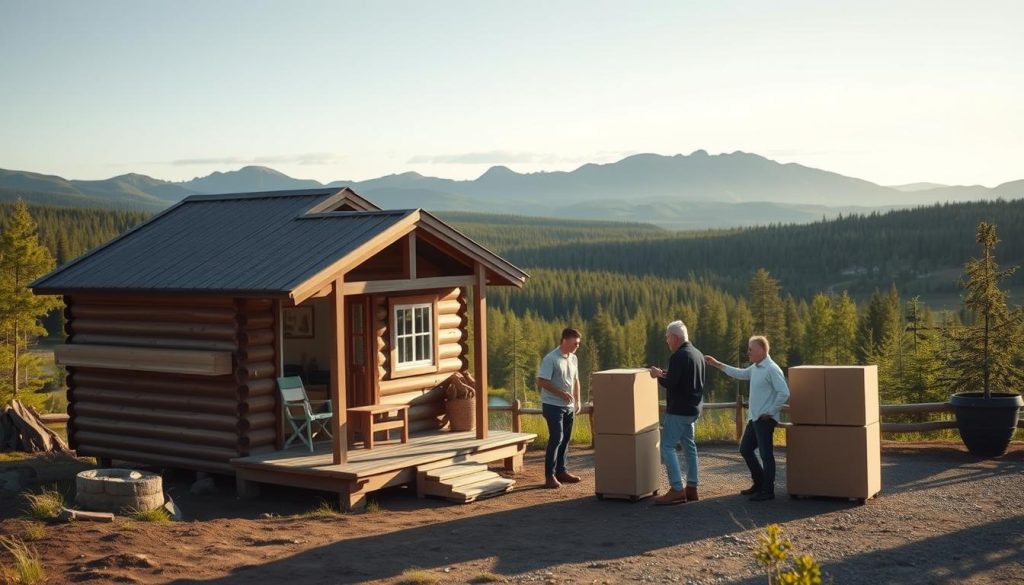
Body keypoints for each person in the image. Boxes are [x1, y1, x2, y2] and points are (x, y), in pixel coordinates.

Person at [705, 335, 790, 501]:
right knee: (745, 449)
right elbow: (739, 373)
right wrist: (717, 364)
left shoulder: (772, 369)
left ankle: (767, 491)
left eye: (751, 349)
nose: (748, 352)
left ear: (761, 350)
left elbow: (784, 392)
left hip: (765, 420)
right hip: (755, 418)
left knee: (766, 455)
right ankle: (759, 483)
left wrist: (771, 411)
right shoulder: (756, 367)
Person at [649, 320, 705, 505]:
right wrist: (664, 373)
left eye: (667, 337)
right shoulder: (697, 354)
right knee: (690, 447)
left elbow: (672, 383)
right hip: (693, 409)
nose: (666, 341)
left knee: (667, 446)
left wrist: (657, 376)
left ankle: (676, 489)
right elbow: (680, 378)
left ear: (675, 337)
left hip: (678, 410)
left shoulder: (678, 357)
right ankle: (692, 488)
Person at [536, 327, 583, 489]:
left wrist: (578, 401)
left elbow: (576, 380)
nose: (577, 345)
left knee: (566, 439)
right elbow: (541, 381)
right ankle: (549, 476)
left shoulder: (573, 358)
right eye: (575, 343)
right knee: (556, 438)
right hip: (553, 405)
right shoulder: (551, 359)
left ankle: (561, 471)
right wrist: (560, 393)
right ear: (565, 340)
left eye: (578, 343)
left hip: (569, 406)